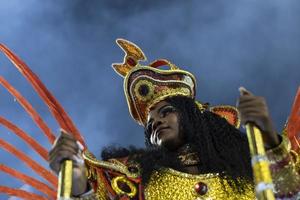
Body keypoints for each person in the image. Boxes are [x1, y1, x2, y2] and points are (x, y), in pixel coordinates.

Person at [49, 39, 300, 200]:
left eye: (165, 111)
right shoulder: (135, 181)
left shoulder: (248, 172)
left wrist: (267, 133)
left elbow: (290, 193)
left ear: (191, 115)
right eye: (149, 122)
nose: (155, 121)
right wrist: (77, 182)